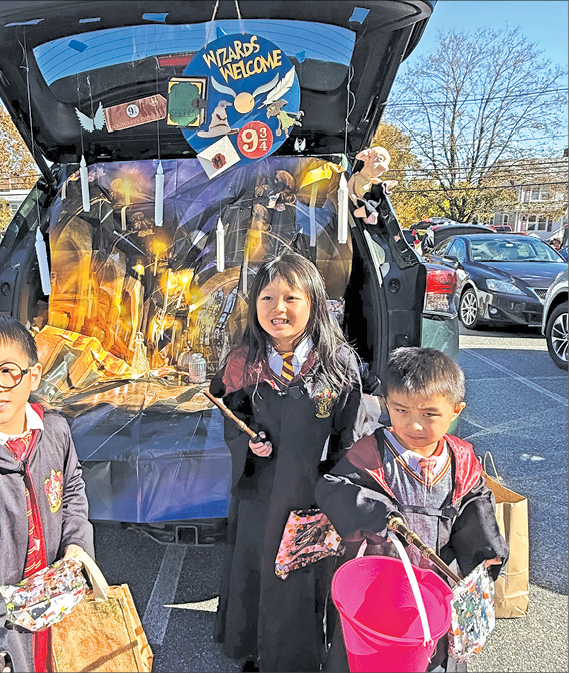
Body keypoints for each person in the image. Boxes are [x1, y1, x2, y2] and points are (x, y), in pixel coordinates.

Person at [209, 253, 364, 672]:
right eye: (267, 297)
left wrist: (336, 495)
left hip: (310, 497)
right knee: (256, 568)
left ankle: (298, 657)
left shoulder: (337, 364)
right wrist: (249, 444)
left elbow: (348, 437)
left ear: (314, 302)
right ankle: (254, 651)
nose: (278, 308)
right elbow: (232, 417)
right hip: (259, 494)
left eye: (291, 297)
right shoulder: (244, 361)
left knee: (301, 577)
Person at [316, 346, 507, 672]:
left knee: (428, 652)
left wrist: (487, 554)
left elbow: (477, 508)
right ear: (387, 404)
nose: (414, 425)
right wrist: (376, 512)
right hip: (378, 582)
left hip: (434, 585)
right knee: (370, 654)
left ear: (456, 411)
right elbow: (332, 488)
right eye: (401, 410)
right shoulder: (371, 453)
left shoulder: (461, 462)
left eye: (429, 414)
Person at [0, 314, 94, 672]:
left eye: (7, 371)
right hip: (1, 615)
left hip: (55, 592)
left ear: (33, 375)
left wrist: (77, 542)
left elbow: (71, 487)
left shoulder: (55, 431)